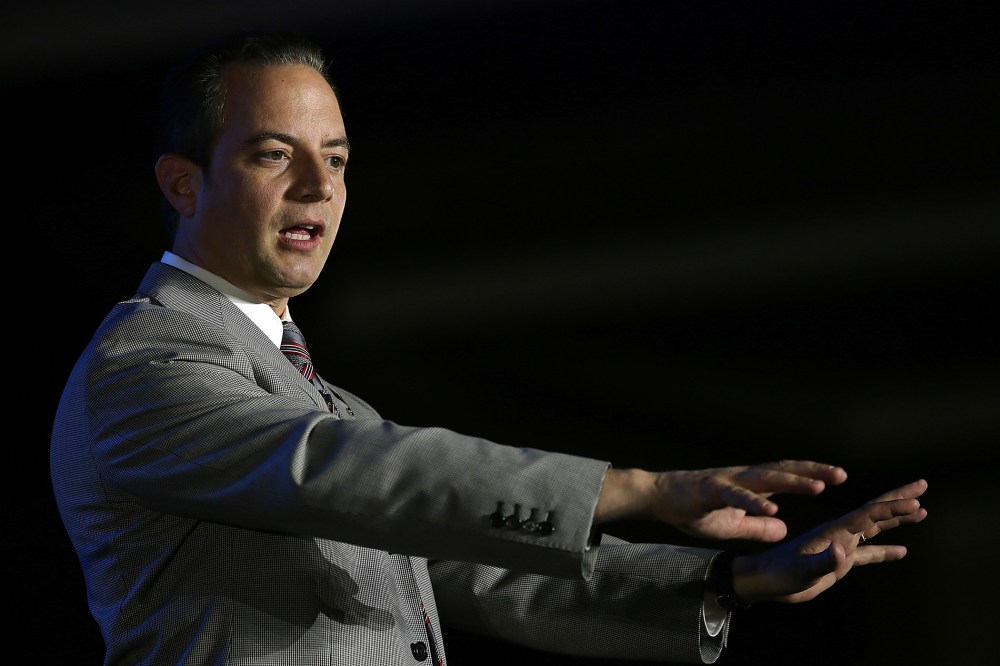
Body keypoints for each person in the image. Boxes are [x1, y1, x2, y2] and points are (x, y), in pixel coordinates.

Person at [50, 31, 928, 666]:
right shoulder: (147, 363)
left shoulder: (322, 395)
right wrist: (638, 491)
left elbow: (477, 565)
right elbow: (345, 470)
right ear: (182, 182)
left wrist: (730, 579)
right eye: (276, 154)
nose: (321, 185)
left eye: (339, 158)